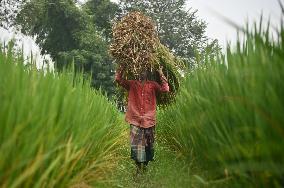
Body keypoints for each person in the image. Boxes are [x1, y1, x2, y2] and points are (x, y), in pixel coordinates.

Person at [115, 66, 170, 174]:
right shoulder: (131, 84)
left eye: (143, 70)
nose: (141, 72)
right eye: (139, 70)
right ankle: (138, 168)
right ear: (136, 72)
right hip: (135, 119)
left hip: (149, 120)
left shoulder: (153, 85)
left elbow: (165, 89)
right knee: (136, 146)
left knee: (148, 145)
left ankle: (144, 167)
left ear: (147, 73)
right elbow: (118, 79)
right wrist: (122, 67)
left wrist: (160, 73)